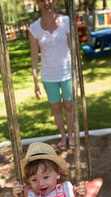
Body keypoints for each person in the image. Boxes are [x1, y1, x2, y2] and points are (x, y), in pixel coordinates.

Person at [28, 0, 75, 150]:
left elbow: (74, 49)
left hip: (67, 72)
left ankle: (72, 136)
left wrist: (77, 73)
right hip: (48, 76)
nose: (46, 2)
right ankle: (63, 136)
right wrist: (35, 81)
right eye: (42, 0)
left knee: (68, 106)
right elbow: (34, 57)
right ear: (38, 3)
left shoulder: (66, 21)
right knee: (56, 108)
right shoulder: (34, 28)